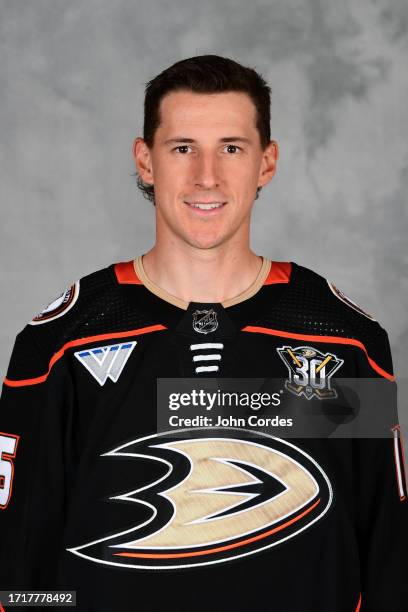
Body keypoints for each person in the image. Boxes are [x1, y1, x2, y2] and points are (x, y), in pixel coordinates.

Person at [0, 54, 406, 612]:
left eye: (231, 149)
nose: (206, 177)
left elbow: (385, 555)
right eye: (183, 147)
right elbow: (19, 569)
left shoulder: (339, 342)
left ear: (267, 163)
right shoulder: (62, 344)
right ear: (146, 161)